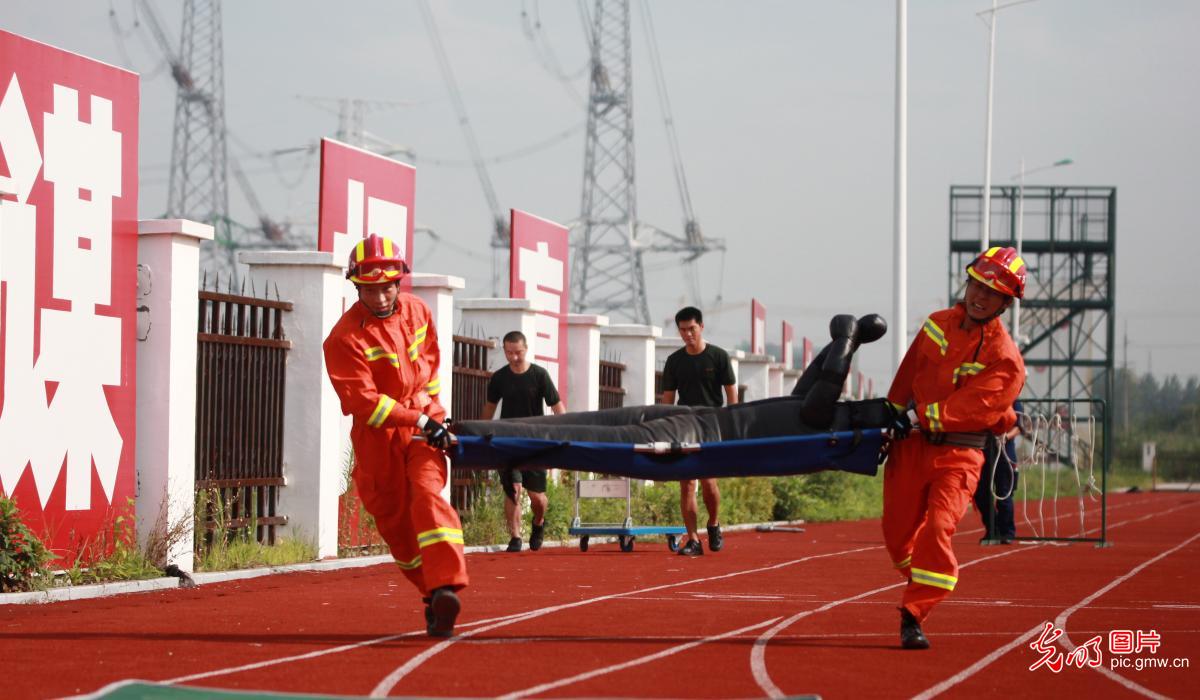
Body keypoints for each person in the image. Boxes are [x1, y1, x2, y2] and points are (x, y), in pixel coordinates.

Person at [881, 246, 1026, 649]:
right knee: (897, 539)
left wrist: (914, 416)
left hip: (960, 454)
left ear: (1005, 303)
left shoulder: (1006, 358)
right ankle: (922, 578)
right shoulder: (936, 324)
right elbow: (907, 374)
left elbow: (973, 406)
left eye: (992, 293)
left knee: (940, 526)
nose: (980, 297)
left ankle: (913, 614)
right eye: (977, 286)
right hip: (909, 449)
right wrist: (889, 417)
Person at [323, 234, 466, 638]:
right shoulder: (343, 338)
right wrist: (418, 420)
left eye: (388, 286)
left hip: (423, 424)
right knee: (396, 524)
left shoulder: (418, 311)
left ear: (399, 283)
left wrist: (434, 416)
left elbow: (432, 367)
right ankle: (431, 594)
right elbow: (366, 403)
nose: (382, 296)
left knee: (426, 493)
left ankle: (446, 584)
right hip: (379, 438)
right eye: (372, 288)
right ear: (358, 287)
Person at [660, 306, 738, 556]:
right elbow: (668, 400)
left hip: (711, 425)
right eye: (683, 330)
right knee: (686, 484)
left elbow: (731, 393)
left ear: (701, 327)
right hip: (684, 425)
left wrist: (732, 424)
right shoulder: (674, 361)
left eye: (691, 329)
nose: (687, 335)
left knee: (708, 481)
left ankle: (713, 523)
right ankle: (693, 540)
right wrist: (664, 428)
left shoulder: (718, 357)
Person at [482, 331, 566, 552]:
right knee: (514, 489)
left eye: (518, 352)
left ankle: (538, 522)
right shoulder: (499, 378)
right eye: (509, 353)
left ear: (526, 349)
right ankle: (516, 537)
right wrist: (480, 434)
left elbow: (557, 406)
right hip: (507, 442)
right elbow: (489, 409)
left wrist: (567, 431)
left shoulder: (539, 375)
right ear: (505, 351)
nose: (514, 357)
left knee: (537, 497)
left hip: (534, 442)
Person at [974, 399, 1025, 544]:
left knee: (1004, 494)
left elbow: (1019, 427)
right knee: (981, 494)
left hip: (1005, 453)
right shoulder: (983, 398)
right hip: (983, 452)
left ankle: (1007, 532)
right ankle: (992, 530)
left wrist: (1005, 437)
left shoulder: (1013, 400)